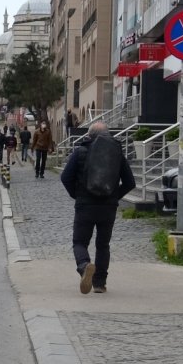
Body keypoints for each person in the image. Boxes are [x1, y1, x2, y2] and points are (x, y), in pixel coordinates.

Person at [59, 122, 136, 294]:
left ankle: (84, 265)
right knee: (103, 245)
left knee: (79, 242)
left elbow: (65, 177)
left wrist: (76, 194)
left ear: (89, 136)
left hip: (85, 205)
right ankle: (100, 283)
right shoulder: (116, 154)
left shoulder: (80, 152)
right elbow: (130, 182)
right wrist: (114, 196)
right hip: (108, 208)